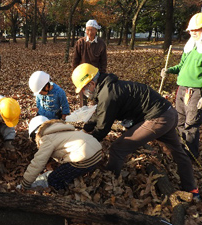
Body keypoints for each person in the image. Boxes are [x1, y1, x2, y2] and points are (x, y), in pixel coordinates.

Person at [71, 63, 200, 200]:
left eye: (84, 88)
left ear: (91, 83)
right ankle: (192, 189)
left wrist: (86, 143)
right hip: (168, 113)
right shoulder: (107, 87)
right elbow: (100, 113)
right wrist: (86, 129)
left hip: (158, 118)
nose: (84, 92)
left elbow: (103, 128)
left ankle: (110, 180)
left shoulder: (107, 94)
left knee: (117, 148)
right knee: (178, 152)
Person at [21, 115, 102, 190]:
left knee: (53, 179)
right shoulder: (62, 129)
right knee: (63, 171)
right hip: (97, 153)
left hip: (84, 160)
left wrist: (25, 184)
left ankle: (60, 194)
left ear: (36, 134)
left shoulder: (46, 139)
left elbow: (37, 163)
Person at [161, 12, 202, 160]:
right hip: (182, 89)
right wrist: (168, 71)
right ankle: (180, 150)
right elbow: (181, 66)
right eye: (191, 30)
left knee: (191, 124)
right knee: (179, 121)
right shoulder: (190, 46)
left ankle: (190, 156)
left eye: (196, 30)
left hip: (197, 91)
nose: (192, 32)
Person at [72, 19, 107, 107]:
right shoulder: (80, 43)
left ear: (96, 30)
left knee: (95, 95)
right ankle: (83, 113)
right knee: (83, 97)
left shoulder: (101, 44)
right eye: (88, 30)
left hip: (95, 74)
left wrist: (102, 75)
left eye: (92, 30)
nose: (90, 32)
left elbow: (103, 61)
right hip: (82, 74)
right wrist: (74, 74)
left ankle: (95, 113)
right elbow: (75, 60)